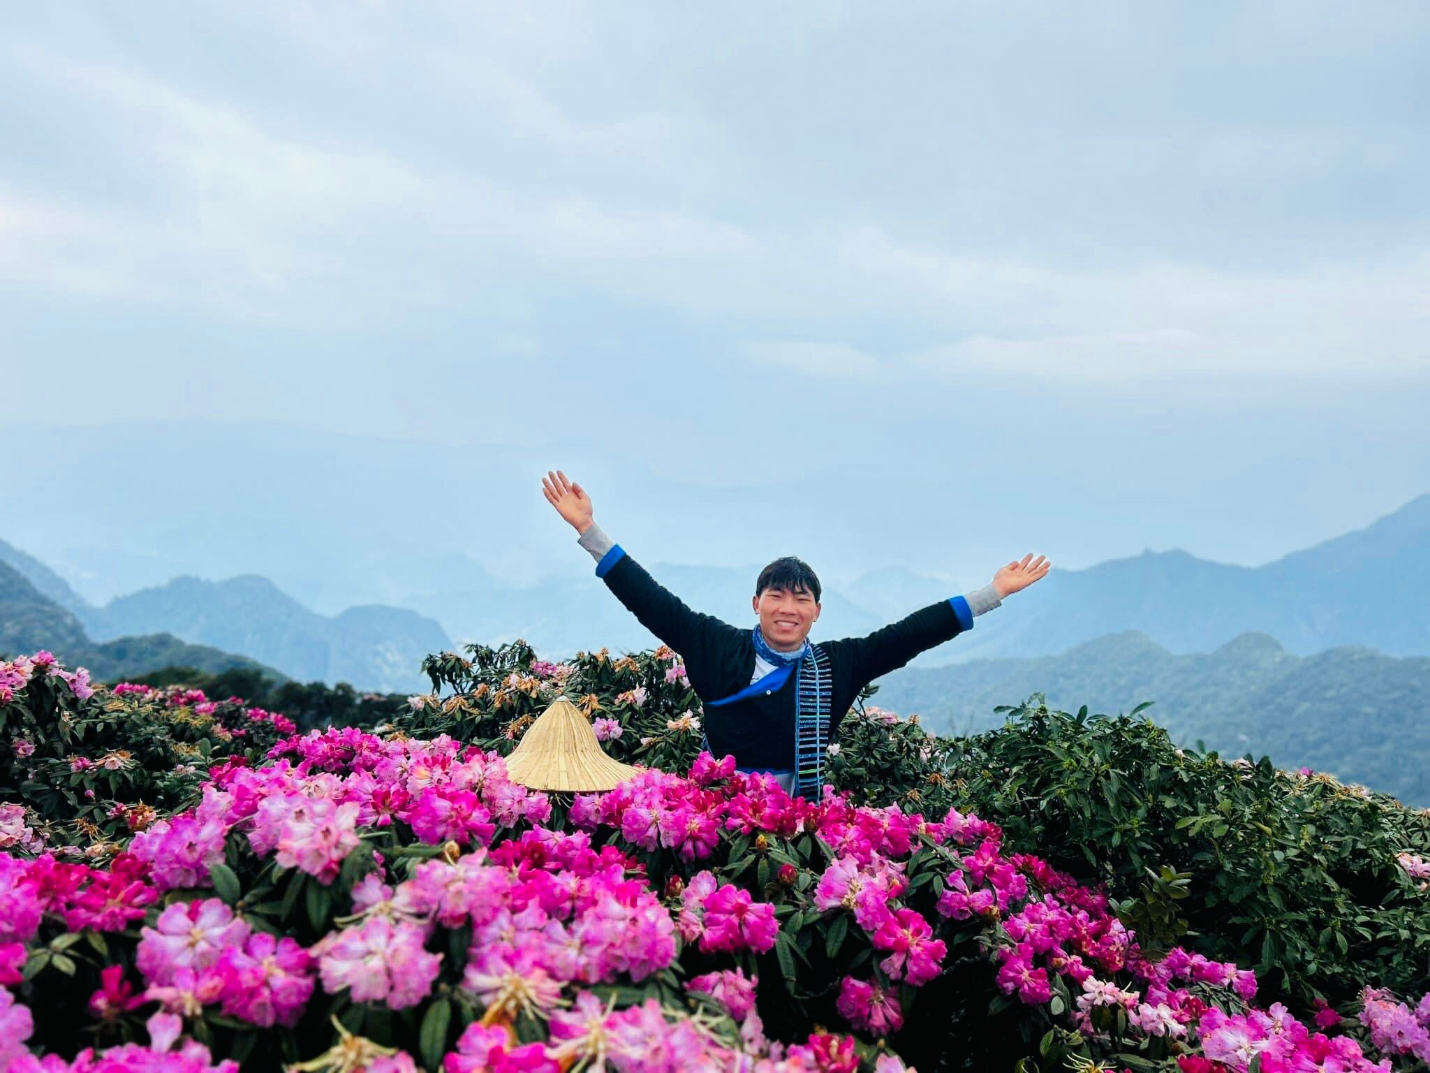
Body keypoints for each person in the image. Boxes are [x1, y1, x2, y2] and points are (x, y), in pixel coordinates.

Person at [541, 469, 1050, 798]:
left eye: (801, 599)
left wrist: (993, 592)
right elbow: (649, 599)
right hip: (716, 807)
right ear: (756, 604)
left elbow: (910, 634)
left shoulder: (836, 666)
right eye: (777, 596)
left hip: (798, 824)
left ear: (817, 611)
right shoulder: (715, 644)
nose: (788, 609)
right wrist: (589, 531)